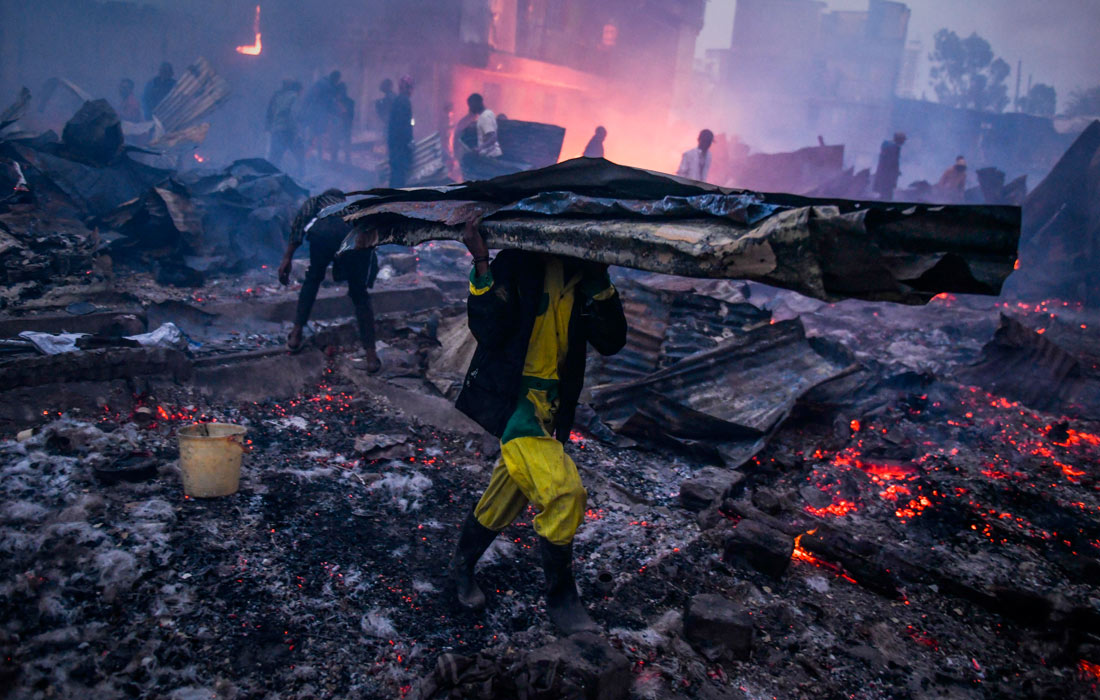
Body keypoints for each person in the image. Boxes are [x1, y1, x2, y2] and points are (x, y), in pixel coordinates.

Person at [447, 220, 627, 634]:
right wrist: (481, 263)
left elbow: (612, 341)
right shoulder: (520, 263)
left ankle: (460, 567)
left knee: (505, 497)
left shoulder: (588, 276)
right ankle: (562, 598)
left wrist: (600, 283)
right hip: (516, 404)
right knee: (564, 495)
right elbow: (488, 330)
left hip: (553, 409)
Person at [278, 189, 381, 373]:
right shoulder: (352, 207)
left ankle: (295, 336)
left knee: (313, 279)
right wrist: (368, 275)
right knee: (360, 295)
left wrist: (287, 258)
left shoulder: (317, 201)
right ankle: (371, 356)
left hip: (323, 234)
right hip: (352, 236)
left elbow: (299, 224)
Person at [266, 80, 303, 171]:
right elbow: (293, 115)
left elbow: (271, 112)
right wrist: (296, 131)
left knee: (275, 156)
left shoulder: (279, 96)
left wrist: (269, 127)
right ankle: (300, 175)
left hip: (276, 129)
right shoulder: (294, 97)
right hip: (287, 130)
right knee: (299, 154)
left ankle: (271, 174)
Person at [387, 76, 414, 187]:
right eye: (410, 88)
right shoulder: (404, 101)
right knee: (399, 172)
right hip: (400, 144)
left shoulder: (399, 100)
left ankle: (392, 195)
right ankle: (395, 197)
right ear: (408, 88)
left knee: (396, 171)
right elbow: (403, 125)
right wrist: (409, 141)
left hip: (395, 143)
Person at [467, 93, 503, 158]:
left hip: (490, 156)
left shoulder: (484, 117)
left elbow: (493, 138)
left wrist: (479, 148)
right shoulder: (489, 112)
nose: (470, 108)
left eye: (470, 105)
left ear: (476, 104)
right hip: (494, 155)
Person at [873, 132, 907, 200]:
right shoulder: (895, 147)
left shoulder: (887, 145)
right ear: (899, 139)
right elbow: (893, 161)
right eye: (903, 140)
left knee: (883, 192)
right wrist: (896, 171)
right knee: (887, 193)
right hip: (888, 174)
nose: (903, 142)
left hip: (883, 172)